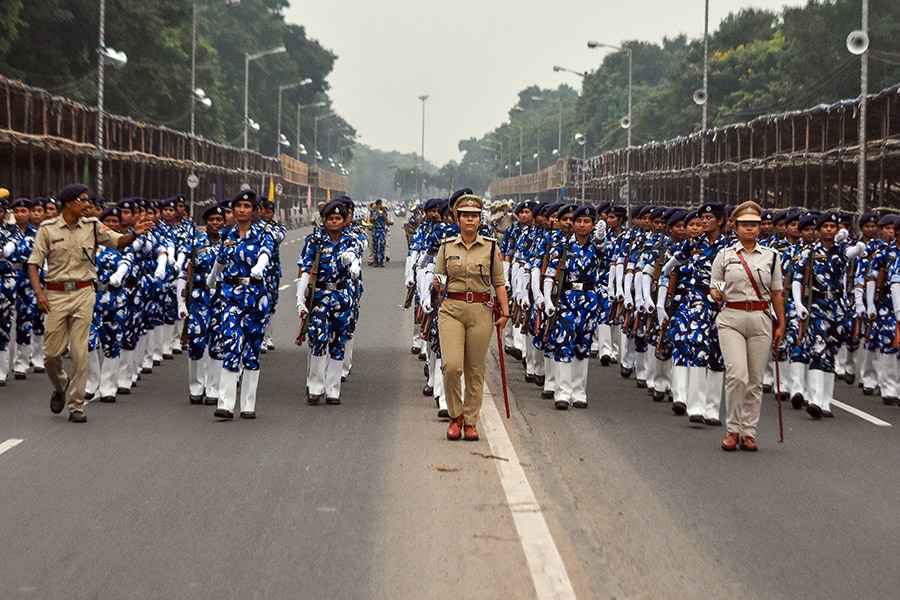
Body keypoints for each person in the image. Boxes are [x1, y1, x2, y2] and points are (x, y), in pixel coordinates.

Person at [26, 184, 152, 422]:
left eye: (87, 200)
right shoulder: (48, 229)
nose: (87, 204)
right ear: (69, 203)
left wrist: (135, 233)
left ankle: (76, 405)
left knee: (80, 352)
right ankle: (61, 383)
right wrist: (38, 293)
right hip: (55, 294)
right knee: (51, 355)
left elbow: (119, 242)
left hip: (84, 293)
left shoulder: (93, 226)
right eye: (82, 200)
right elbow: (33, 263)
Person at [710, 201, 786, 452]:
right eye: (745, 225)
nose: (750, 229)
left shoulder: (772, 257)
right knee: (737, 375)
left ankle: (748, 431)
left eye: (755, 225)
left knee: (754, 379)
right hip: (731, 317)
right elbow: (716, 284)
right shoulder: (725, 255)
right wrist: (718, 294)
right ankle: (732, 429)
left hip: (761, 318)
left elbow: (776, 293)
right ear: (735, 227)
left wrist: (781, 324)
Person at [434, 193, 509, 441]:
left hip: (480, 310)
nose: (470, 220)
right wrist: (436, 285)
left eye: (474, 216)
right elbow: (439, 278)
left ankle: (470, 421)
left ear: (480, 219)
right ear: (457, 218)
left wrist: (505, 311)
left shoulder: (490, 247)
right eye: (465, 215)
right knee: (452, 366)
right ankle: (455, 416)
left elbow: (499, 282)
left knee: (475, 370)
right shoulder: (446, 246)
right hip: (452, 310)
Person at [206, 190, 274, 420]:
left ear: (254, 211)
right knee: (231, 343)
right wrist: (212, 278)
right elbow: (221, 260)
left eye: (247, 206)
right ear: (233, 210)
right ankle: (225, 404)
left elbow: (266, 253)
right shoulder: (228, 235)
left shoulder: (264, 233)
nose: (242, 210)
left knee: (252, 350)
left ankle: (248, 405)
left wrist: (260, 267)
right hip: (230, 296)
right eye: (238, 206)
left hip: (255, 295)